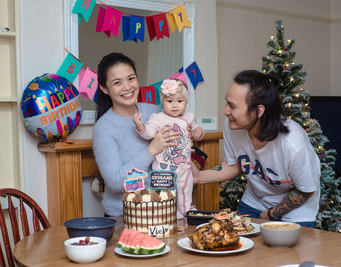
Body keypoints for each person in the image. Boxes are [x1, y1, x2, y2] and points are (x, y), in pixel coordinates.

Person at [195, 70, 320, 228]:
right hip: (255, 201)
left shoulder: (293, 144)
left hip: (298, 209)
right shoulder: (233, 126)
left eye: (232, 106)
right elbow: (234, 165)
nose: (225, 111)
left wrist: (271, 214)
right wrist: (196, 177)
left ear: (259, 111)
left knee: (293, 252)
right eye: (227, 103)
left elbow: (306, 190)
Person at [92, 53, 180, 217]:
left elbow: (170, 152)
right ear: (104, 88)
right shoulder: (103, 128)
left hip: (161, 208)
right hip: (123, 215)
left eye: (131, 78)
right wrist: (151, 150)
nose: (127, 87)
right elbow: (116, 182)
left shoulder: (154, 110)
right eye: (117, 82)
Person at [133, 79, 204, 218]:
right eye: (170, 101)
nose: (175, 105)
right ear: (162, 102)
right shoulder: (158, 118)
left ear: (186, 102)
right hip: (163, 166)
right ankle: (168, 211)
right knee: (165, 191)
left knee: (186, 187)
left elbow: (197, 130)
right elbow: (148, 133)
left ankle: (186, 209)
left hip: (184, 165)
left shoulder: (189, 117)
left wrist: (199, 132)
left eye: (180, 101)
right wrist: (139, 125)